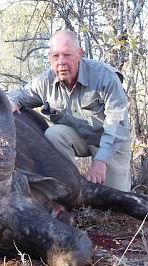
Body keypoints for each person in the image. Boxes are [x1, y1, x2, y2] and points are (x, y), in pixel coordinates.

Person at [8, 30, 131, 192]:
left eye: (67, 55)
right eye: (55, 56)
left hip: (110, 141)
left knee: (117, 199)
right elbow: (16, 96)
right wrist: (11, 102)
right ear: (49, 57)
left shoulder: (105, 77)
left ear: (80, 54)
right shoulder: (45, 81)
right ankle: (71, 186)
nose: (61, 62)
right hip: (79, 138)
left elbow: (117, 125)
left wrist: (100, 161)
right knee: (54, 134)